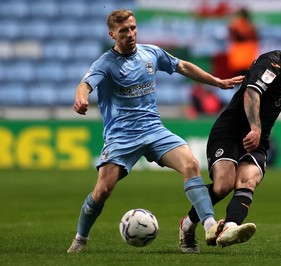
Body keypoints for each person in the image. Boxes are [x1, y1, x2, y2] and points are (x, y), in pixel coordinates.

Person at [66, 9, 248, 253]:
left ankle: (209, 225)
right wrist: (81, 99)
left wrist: (216, 81)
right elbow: (84, 85)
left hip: (154, 130)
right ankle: (80, 238)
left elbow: (181, 66)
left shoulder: (150, 52)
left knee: (191, 165)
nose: (130, 34)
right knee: (102, 191)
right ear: (112, 34)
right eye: (123, 31)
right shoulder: (105, 64)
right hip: (122, 137)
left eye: (133, 28)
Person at [179, 23, 281, 253]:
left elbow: (266, 94)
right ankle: (187, 225)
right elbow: (252, 92)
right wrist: (255, 128)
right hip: (231, 131)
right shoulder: (272, 63)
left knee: (248, 180)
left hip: (258, 139)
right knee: (223, 185)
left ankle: (229, 228)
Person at [227, 8, 260, 76]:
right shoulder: (252, 26)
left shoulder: (237, 26)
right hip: (248, 56)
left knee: (241, 78)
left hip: (241, 56)